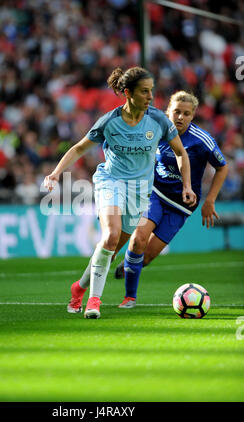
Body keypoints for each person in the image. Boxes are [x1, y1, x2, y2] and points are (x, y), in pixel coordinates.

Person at [44, 68, 196, 319]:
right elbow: (80, 147)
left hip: (140, 191)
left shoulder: (159, 121)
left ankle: (79, 288)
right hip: (110, 181)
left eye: (151, 91)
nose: (150, 96)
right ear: (128, 93)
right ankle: (94, 301)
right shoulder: (109, 121)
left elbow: (181, 153)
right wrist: (56, 172)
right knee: (111, 235)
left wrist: (187, 185)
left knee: (111, 250)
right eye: (144, 91)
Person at [113, 90, 228, 308]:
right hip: (155, 193)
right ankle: (129, 297)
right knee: (138, 238)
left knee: (146, 257)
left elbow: (222, 168)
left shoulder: (202, 140)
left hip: (181, 206)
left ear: (193, 115)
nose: (180, 117)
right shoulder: (155, 131)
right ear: (168, 111)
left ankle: (128, 265)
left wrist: (210, 200)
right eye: (176, 112)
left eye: (186, 113)